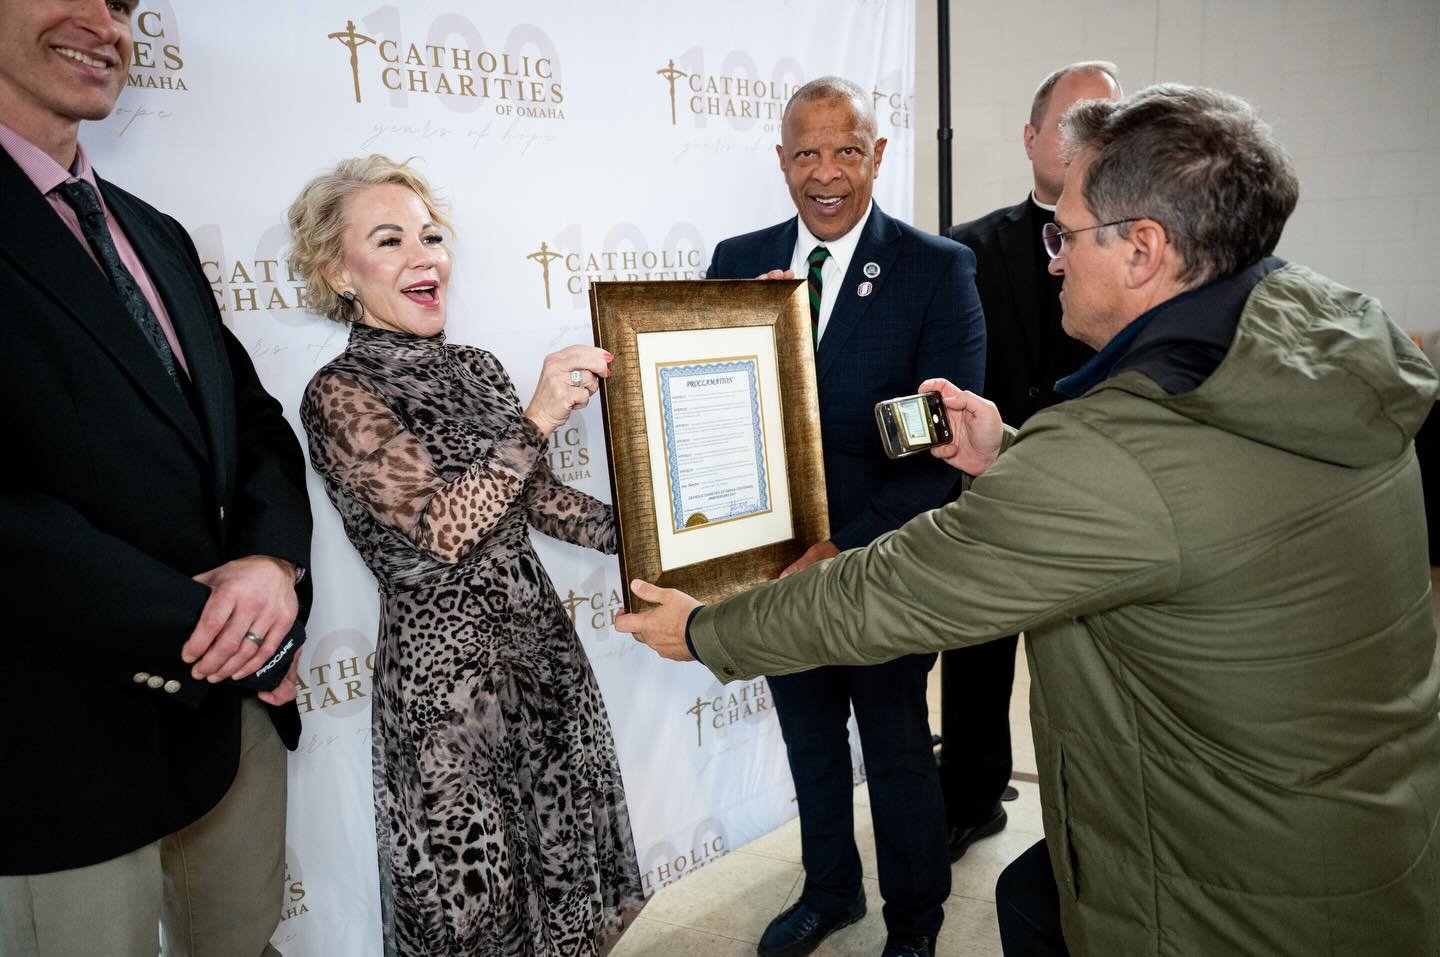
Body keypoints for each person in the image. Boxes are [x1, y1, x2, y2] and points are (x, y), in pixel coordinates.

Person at [617, 83, 1440, 955]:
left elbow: (901, 586)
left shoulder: (1107, 446)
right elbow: (1178, 509)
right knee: (1028, 895)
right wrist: (1008, 449)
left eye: (1066, 233)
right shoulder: (1324, 361)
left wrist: (709, 629)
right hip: (1344, 831)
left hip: (1232, 891)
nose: (1050, 259)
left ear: (1144, 250)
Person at [0, 1, 314, 955]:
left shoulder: (153, 231)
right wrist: (212, 628)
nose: (105, 21)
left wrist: (270, 564)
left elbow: (250, 423)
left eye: (126, 3)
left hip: (230, 723)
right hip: (57, 741)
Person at [288, 155, 645, 956]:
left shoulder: (479, 367)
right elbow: (442, 529)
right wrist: (537, 418)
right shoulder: (337, 392)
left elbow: (541, 501)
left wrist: (670, 535)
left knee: (568, 886)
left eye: (431, 234)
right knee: (472, 911)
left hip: (542, 661)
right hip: (449, 703)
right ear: (339, 272)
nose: (425, 255)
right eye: (390, 239)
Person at [705, 77, 986, 957]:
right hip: (775, 556)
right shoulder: (736, 261)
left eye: (847, 150)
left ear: (878, 154)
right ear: (781, 159)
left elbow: (937, 444)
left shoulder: (937, 268)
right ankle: (831, 888)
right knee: (810, 734)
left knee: (897, 745)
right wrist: (743, 327)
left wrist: (841, 544)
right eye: (806, 153)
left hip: (885, 555)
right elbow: (713, 418)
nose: (825, 173)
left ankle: (915, 923)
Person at [938, 61, 1121, 863]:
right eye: (1073, 122)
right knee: (977, 656)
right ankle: (971, 797)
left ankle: (1099, 825)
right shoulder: (964, 250)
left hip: (1106, 494)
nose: (1089, 141)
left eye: (1108, 124)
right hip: (994, 481)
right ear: (1030, 136)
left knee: (1092, 670)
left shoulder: (1142, 254)